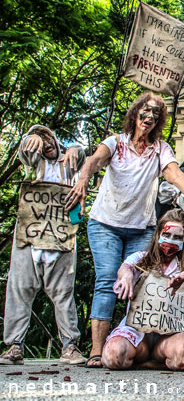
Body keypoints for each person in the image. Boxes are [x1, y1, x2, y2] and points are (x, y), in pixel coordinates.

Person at [65, 92, 184, 367]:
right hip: (105, 224)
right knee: (107, 281)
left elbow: (173, 172)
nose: (149, 117)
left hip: (140, 228)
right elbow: (94, 160)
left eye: (155, 114)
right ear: (135, 113)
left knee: (143, 283)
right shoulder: (116, 143)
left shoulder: (160, 149)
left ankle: (138, 346)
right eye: (145, 111)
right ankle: (96, 350)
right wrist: (82, 180)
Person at [0, 125, 87, 365]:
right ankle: (14, 346)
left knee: (63, 293)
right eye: (42, 139)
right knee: (19, 290)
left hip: (60, 240)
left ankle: (70, 346)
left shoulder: (69, 166)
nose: (46, 143)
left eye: (49, 137)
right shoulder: (33, 165)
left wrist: (75, 149)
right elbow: (25, 150)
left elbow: (81, 156)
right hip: (29, 240)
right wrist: (31, 138)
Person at [101, 210, 184, 370]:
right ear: (158, 235)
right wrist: (127, 276)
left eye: (177, 237)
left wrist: (183, 276)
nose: (170, 241)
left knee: (182, 355)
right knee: (113, 356)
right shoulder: (141, 258)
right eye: (167, 234)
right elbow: (125, 267)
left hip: (170, 334)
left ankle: (149, 363)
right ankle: (151, 363)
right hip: (136, 332)